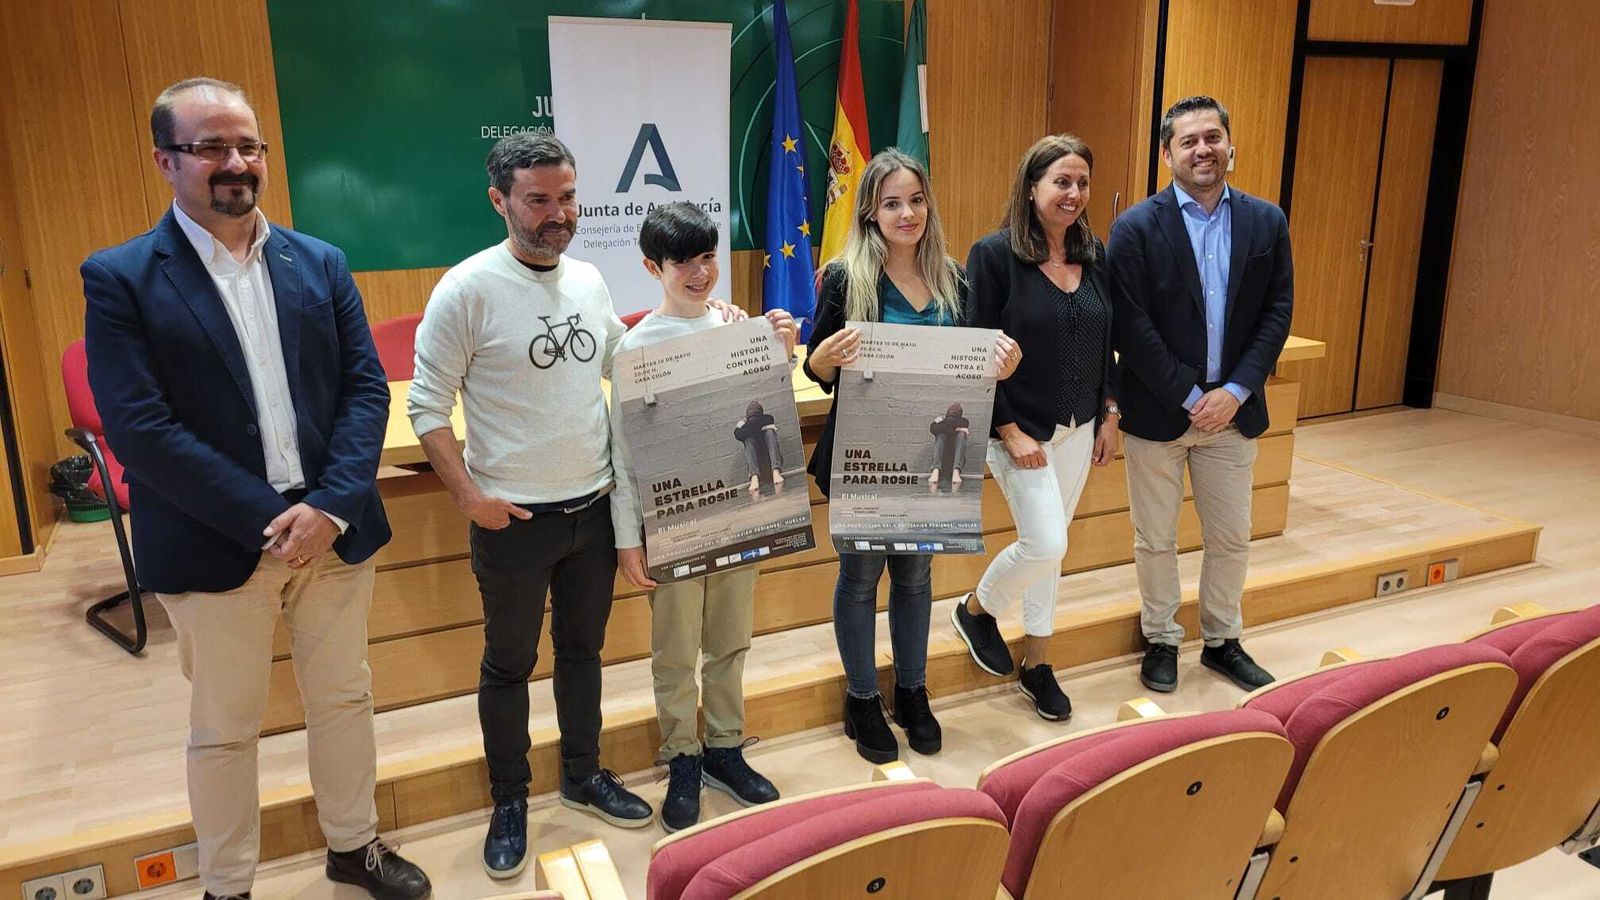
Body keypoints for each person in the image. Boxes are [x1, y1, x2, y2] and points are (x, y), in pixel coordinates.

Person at [82, 77, 429, 900]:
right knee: (225, 730)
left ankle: (354, 847)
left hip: (335, 532)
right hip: (214, 541)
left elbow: (365, 390)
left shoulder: (319, 261)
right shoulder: (122, 278)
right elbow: (140, 430)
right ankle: (228, 884)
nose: (236, 162)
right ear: (166, 160)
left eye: (249, 146)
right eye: (211, 147)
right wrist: (274, 520)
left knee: (344, 700)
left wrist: (331, 504)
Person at [409, 133, 716, 877]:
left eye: (569, 196)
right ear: (500, 200)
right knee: (509, 665)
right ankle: (510, 798)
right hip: (512, 521)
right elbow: (426, 406)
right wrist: (469, 496)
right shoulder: (466, 289)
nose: (558, 213)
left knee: (583, 654)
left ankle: (582, 775)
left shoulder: (588, 279)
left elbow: (624, 359)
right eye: (539, 199)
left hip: (592, 514)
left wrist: (716, 331)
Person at [806, 147, 1021, 763]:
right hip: (866, 457)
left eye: (917, 200)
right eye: (893, 202)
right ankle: (862, 697)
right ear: (871, 212)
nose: (908, 213)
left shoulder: (955, 278)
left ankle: (912, 690)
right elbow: (815, 367)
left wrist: (1003, 362)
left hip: (932, 460)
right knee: (860, 578)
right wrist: (831, 356)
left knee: (917, 576)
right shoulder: (846, 277)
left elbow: (974, 368)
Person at [609, 201, 797, 833]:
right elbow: (624, 451)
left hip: (738, 513)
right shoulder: (635, 348)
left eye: (708, 257)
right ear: (652, 267)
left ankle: (724, 746)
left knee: (730, 637)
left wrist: (781, 353)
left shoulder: (735, 327)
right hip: (674, 522)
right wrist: (627, 538)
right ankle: (681, 755)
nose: (699, 272)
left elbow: (764, 412)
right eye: (683, 262)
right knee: (674, 647)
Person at [1106, 96, 1293, 694]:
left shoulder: (1267, 221)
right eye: (1188, 141)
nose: (1203, 149)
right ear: (1167, 154)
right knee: (1155, 538)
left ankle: (1222, 640)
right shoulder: (1135, 227)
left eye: (1213, 137)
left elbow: (1277, 312)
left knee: (1231, 536)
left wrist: (1236, 390)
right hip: (1159, 411)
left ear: (1230, 145)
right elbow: (1130, 326)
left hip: (1233, 415)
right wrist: (1190, 395)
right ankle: (1160, 637)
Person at [950, 134, 1121, 722]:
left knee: (1054, 552)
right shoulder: (994, 256)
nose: (1073, 193)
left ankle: (1039, 662)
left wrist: (1109, 412)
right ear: (1031, 189)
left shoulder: (1094, 254)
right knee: (1046, 542)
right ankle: (975, 610)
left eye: (1081, 183)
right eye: (1060, 182)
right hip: (1019, 430)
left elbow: (1108, 341)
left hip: (1080, 425)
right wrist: (1008, 429)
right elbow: (978, 353)